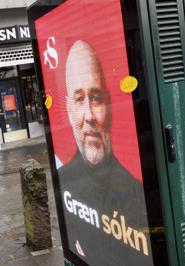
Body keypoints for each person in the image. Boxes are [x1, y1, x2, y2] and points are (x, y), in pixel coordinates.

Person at [58, 40, 152, 265]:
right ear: (69, 109)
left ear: (108, 104)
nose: (89, 115)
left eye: (96, 98)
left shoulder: (138, 193)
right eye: (79, 99)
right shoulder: (63, 180)